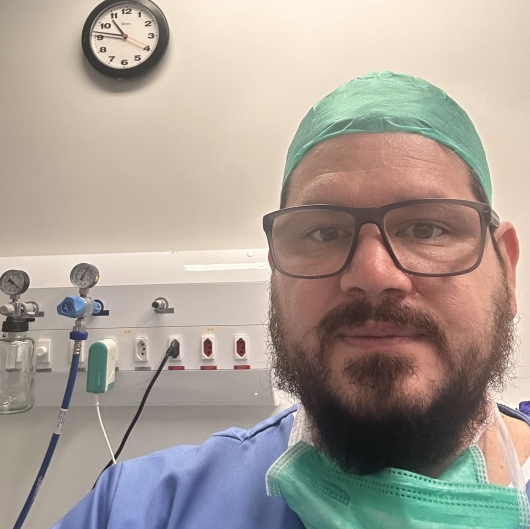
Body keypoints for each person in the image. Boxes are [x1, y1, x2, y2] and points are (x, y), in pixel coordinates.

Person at [51, 72, 530, 528]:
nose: (372, 274)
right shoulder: (139, 512)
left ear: (506, 271)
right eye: (324, 232)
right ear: (276, 274)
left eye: (426, 229)